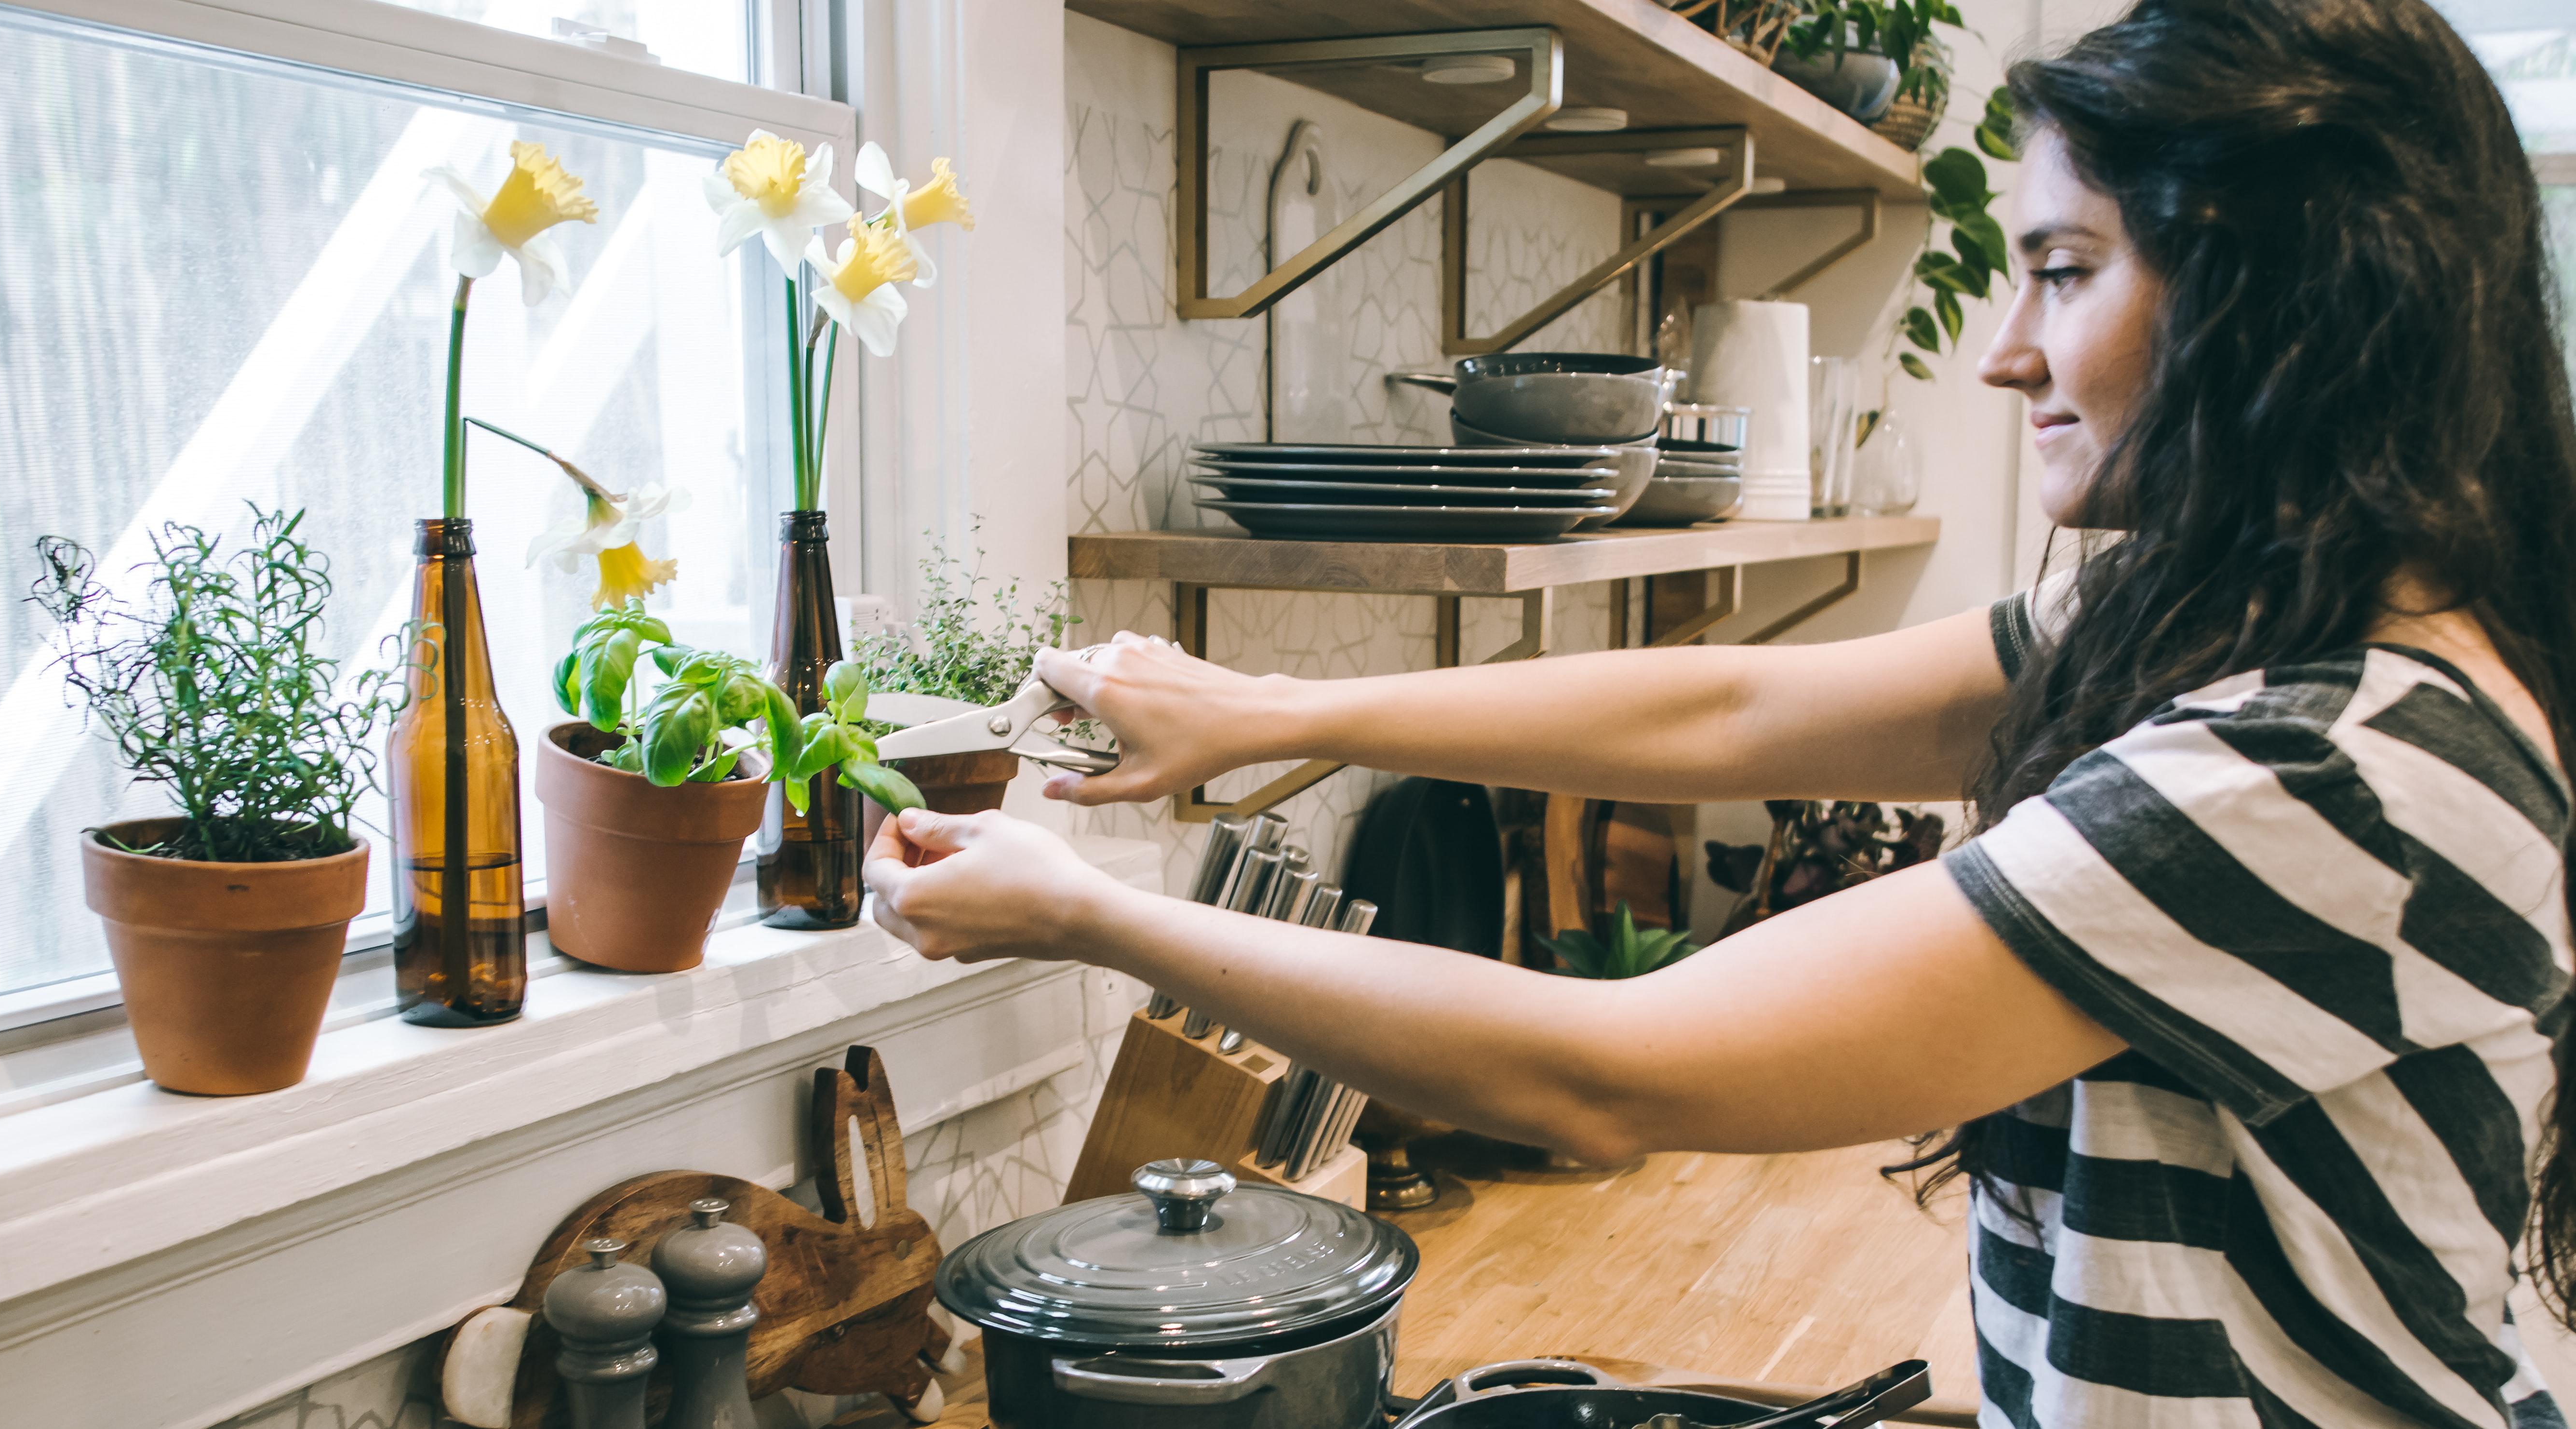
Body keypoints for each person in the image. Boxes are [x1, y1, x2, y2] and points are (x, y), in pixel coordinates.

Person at [867, 1, 2576, 1423]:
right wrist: (1278, 712)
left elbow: (1605, 1069)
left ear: (2280, 293)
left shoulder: (2318, 764)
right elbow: (1746, 707)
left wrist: (1091, 915)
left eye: (2061, 266)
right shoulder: (2229, 627)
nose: (2005, 352)